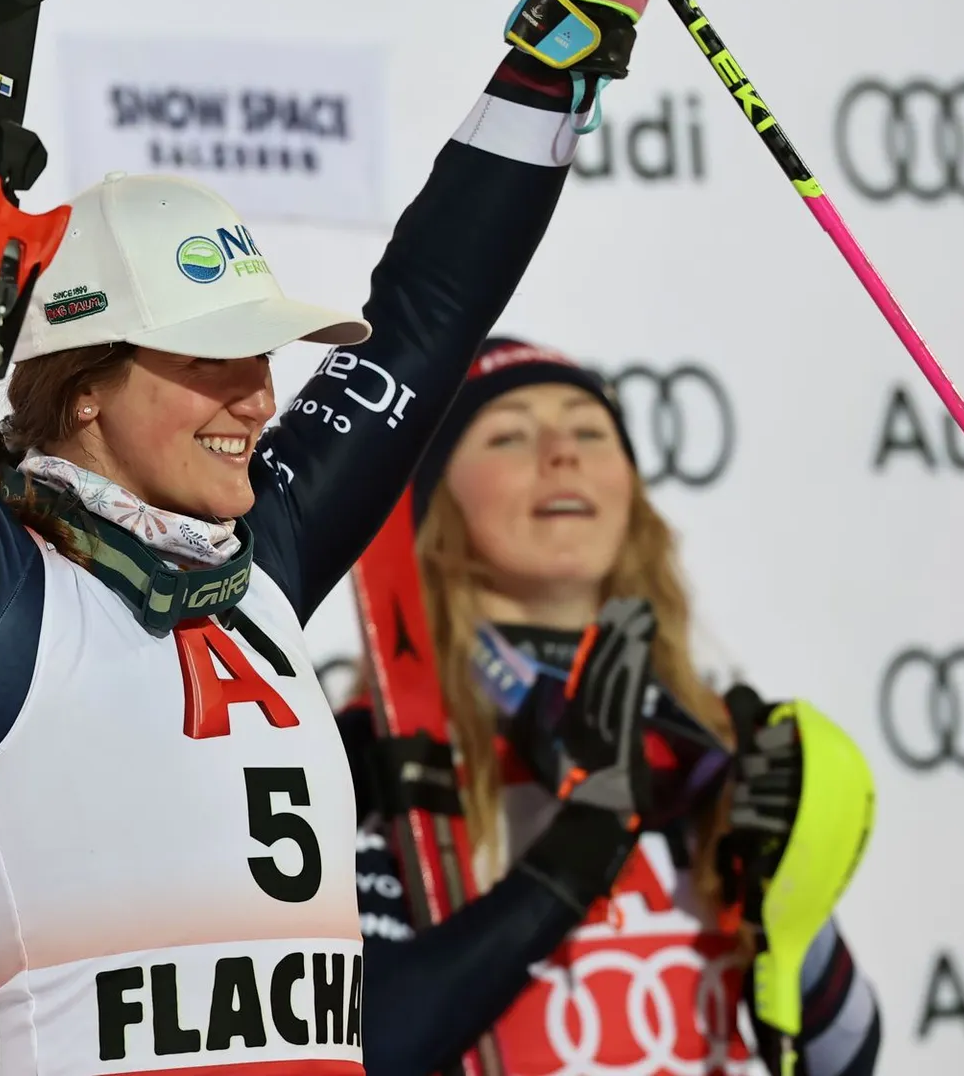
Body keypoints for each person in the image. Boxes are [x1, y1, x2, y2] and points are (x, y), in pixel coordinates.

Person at [0, 0, 700, 1074]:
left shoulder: (256, 565)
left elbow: (426, 321)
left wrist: (567, 38)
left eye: (261, 358)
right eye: (208, 360)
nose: (258, 400)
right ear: (86, 388)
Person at [345, 339, 883, 1076]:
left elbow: (844, 1059)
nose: (562, 452)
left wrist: (791, 897)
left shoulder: (710, 746)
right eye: (509, 436)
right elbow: (357, 1049)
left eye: (590, 430)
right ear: (436, 497)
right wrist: (579, 848)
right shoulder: (371, 753)